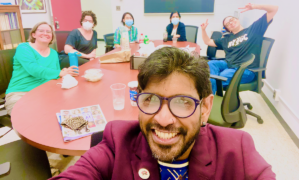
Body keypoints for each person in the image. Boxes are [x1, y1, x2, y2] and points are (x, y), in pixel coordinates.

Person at [51, 47, 275, 180]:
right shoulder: (116, 142)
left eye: (182, 103)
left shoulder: (237, 150)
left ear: (205, 107)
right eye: (150, 100)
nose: (163, 119)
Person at [201, 3, 278, 94]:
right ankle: (210, 93)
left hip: (246, 69)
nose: (231, 23)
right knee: (211, 63)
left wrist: (254, 7)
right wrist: (203, 30)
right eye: (228, 24)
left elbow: (274, 9)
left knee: (222, 76)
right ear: (227, 29)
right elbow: (208, 42)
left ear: (237, 19)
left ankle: (208, 97)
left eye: (232, 20)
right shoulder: (226, 39)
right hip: (229, 64)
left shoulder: (253, 30)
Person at [4, 22, 78, 116]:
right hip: (21, 93)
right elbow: (34, 69)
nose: (45, 33)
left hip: (44, 92)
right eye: (41, 30)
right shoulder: (24, 48)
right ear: (33, 34)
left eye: (48, 31)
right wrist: (60, 72)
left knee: (69, 110)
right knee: (29, 121)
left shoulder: (53, 53)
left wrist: (65, 73)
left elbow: (54, 75)